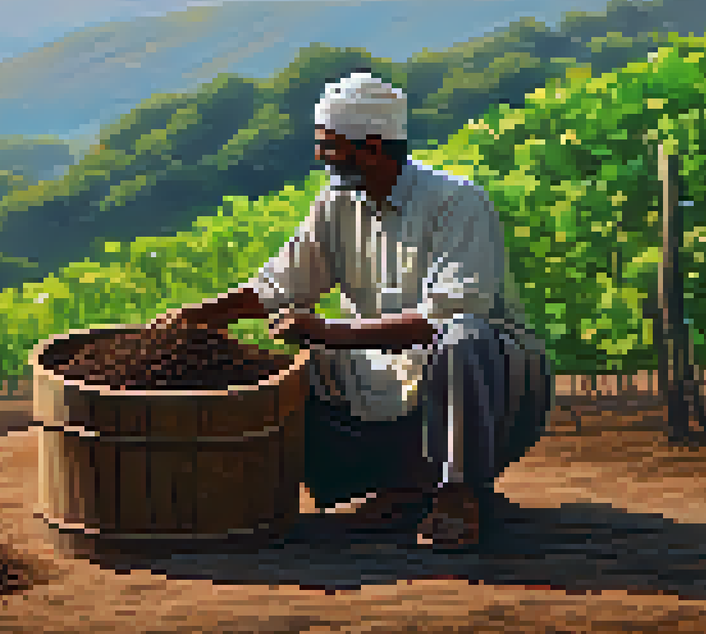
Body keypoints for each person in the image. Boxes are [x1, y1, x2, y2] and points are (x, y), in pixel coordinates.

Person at [153, 70, 553, 551]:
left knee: (462, 339)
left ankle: (458, 495)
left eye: (330, 146)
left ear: (373, 147)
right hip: (376, 355)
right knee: (297, 375)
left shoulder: (457, 201)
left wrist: (330, 333)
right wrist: (196, 316)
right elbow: (281, 283)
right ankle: (402, 490)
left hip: (489, 377)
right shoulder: (336, 204)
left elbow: (448, 314)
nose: (320, 156)